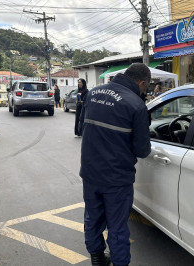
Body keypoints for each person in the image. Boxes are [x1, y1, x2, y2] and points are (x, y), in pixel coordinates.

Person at [78, 63, 151, 266]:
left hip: (90, 172)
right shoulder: (136, 105)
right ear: (141, 82)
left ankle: (97, 259)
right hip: (117, 178)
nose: (144, 91)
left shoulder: (93, 93)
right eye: (145, 88)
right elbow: (142, 150)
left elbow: (83, 126)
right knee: (117, 226)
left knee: (93, 218)